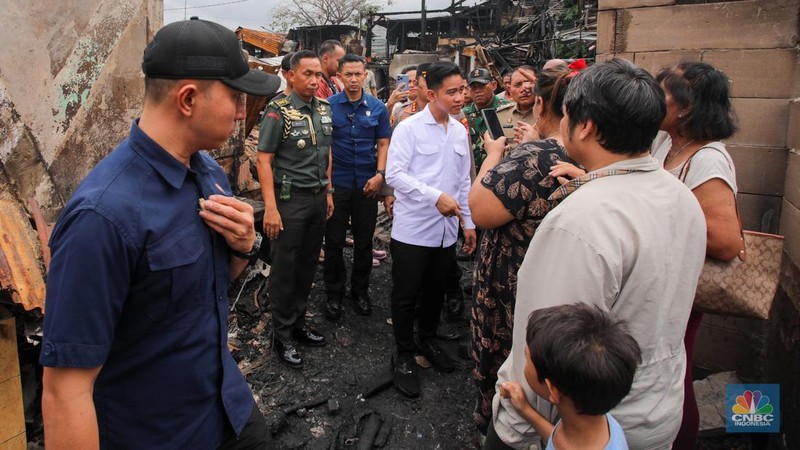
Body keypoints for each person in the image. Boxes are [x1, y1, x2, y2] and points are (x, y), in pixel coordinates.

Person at [40, 17, 279, 449]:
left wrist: (247, 245)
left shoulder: (206, 172)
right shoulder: (102, 218)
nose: (244, 111)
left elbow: (209, 286)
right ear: (188, 99)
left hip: (227, 406)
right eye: (236, 97)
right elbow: (64, 391)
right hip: (161, 434)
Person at [489, 59, 707, 449]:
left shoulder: (581, 222)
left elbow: (546, 348)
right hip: (655, 413)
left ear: (585, 125)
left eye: (567, 113)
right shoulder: (682, 197)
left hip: (584, 429)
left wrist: (514, 427)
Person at [468, 66, 574, 435]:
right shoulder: (594, 158)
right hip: (561, 280)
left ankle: (500, 425)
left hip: (512, 279)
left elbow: (481, 209)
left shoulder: (536, 157)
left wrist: (493, 154)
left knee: (507, 357)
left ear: (542, 104)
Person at [652, 61, 741, 450]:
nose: (653, 101)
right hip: (660, 281)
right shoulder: (665, 143)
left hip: (683, 287)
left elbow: (725, 240)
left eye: (662, 93)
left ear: (685, 107)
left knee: (675, 373)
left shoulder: (708, 158)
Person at [385, 62, 477, 398]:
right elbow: (394, 176)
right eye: (451, 92)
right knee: (406, 294)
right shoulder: (408, 129)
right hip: (413, 231)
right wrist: (434, 196)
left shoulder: (459, 131)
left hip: (446, 232)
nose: (459, 97)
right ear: (432, 93)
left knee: (436, 290)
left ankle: (428, 339)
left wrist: (468, 222)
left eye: (461, 90)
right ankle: (405, 354)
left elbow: (463, 182)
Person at [257, 50, 334, 369]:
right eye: (308, 74)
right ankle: (282, 334)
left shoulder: (324, 109)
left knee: (306, 266)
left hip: (317, 199)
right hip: (289, 201)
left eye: (319, 74)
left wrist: (328, 190)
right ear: (290, 75)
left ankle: (298, 323)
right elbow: (264, 160)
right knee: (285, 269)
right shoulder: (279, 111)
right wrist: (271, 209)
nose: (316, 80)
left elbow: (326, 151)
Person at [497, 303, 641, 450]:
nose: (525, 362)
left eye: (527, 359)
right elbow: (560, 442)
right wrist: (525, 410)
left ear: (552, 389)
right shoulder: (599, 421)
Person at [324, 54, 392, 319]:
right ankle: (333, 294)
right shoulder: (328, 106)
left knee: (364, 242)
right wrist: (327, 186)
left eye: (358, 74)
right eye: (348, 74)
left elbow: (384, 142)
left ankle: (360, 292)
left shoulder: (376, 108)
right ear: (339, 76)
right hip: (338, 183)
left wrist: (380, 175)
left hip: (367, 184)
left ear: (366, 75)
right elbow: (325, 147)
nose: (353, 80)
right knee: (334, 242)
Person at [462, 67, 512, 170]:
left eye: (482, 86)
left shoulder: (508, 110)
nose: (478, 91)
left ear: (494, 85)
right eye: (473, 87)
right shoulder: (463, 114)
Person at [497, 66, 537, 144]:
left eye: (529, 83)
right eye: (518, 85)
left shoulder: (548, 115)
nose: (524, 89)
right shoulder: (500, 115)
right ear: (509, 89)